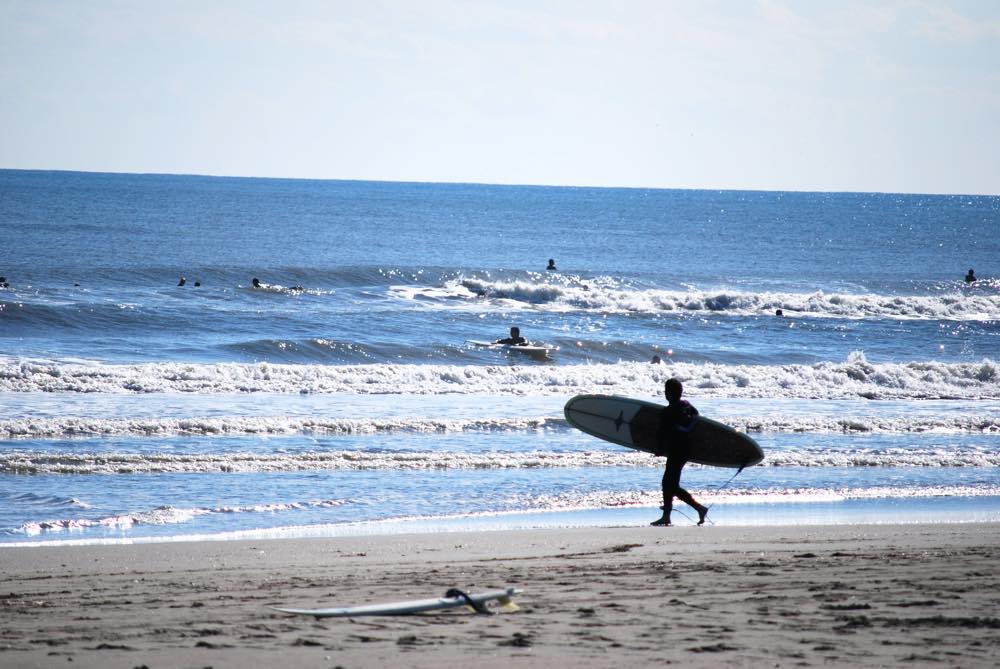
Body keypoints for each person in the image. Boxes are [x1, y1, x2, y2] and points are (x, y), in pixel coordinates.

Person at [651, 378, 708, 527]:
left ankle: (698, 508)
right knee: (669, 483)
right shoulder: (687, 406)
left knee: (669, 484)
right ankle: (667, 515)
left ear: (669, 394)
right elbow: (697, 418)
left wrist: (658, 448)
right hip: (686, 450)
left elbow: (661, 433)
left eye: (666, 391)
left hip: (675, 451)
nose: (665, 394)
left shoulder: (667, 412)